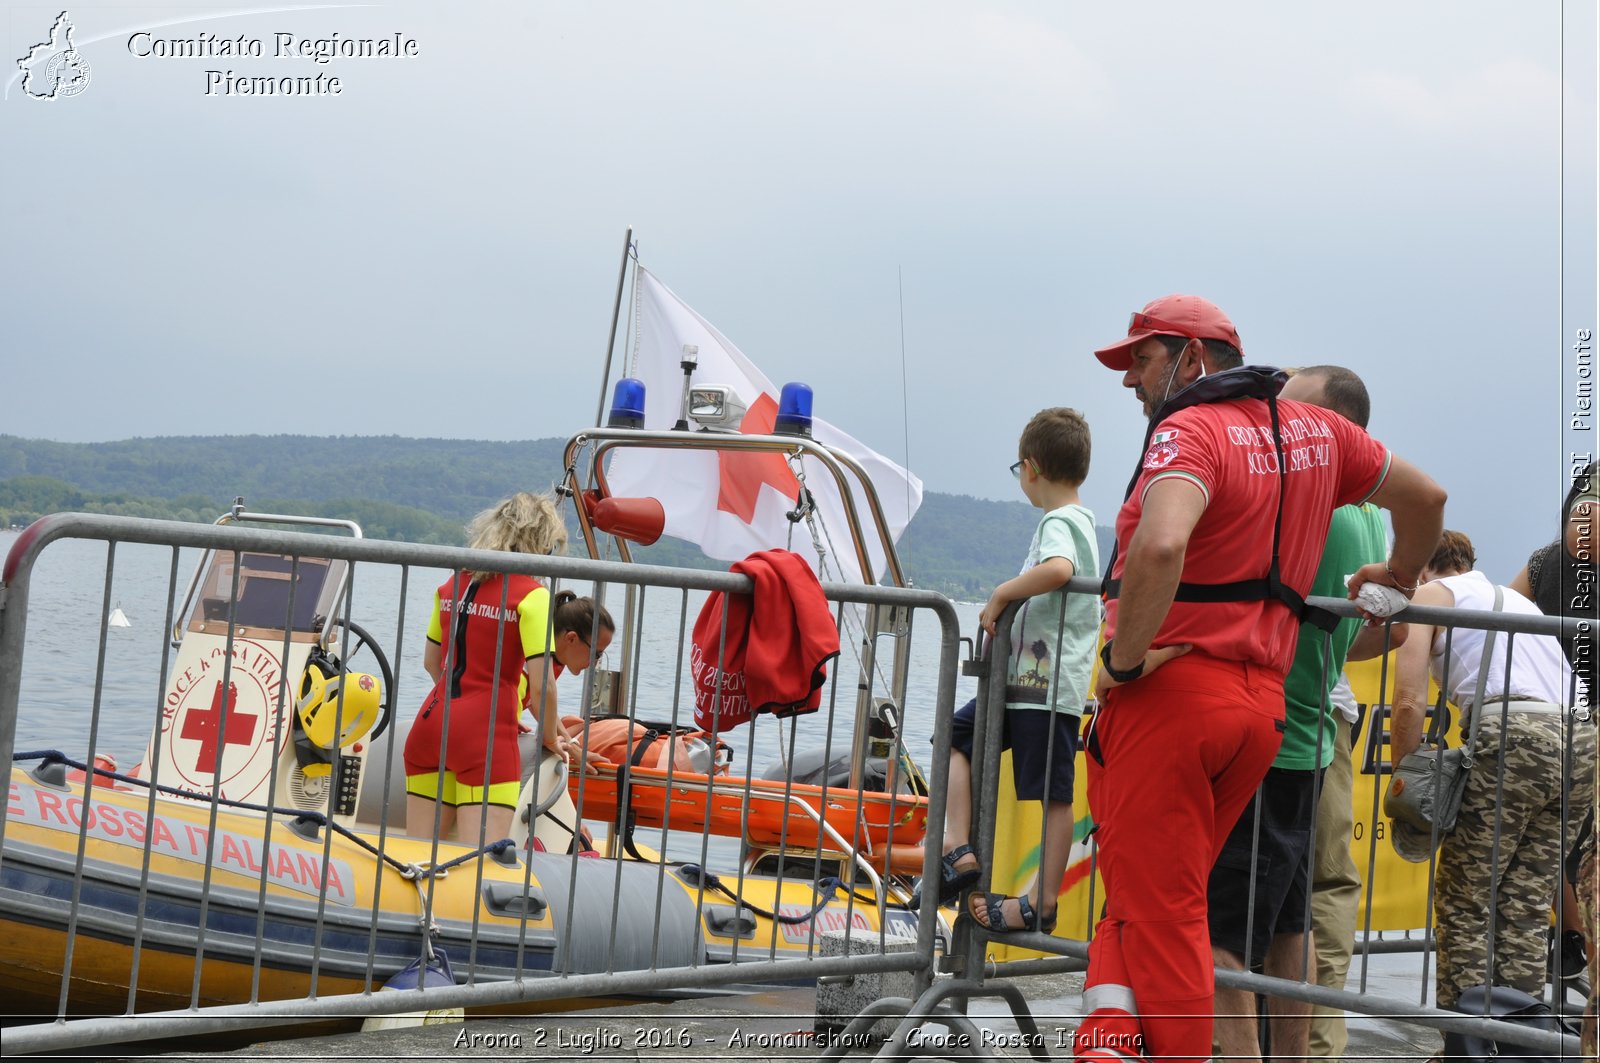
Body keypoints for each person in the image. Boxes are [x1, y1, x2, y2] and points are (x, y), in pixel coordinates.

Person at [1074, 294, 1446, 1063]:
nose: (1128, 380)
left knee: (1173, 914)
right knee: (1144, 893)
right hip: (1262, 708)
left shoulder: (1191, 429)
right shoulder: (1323, 432)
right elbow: (1429, 498)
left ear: (1194, 358)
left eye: (1141, 357)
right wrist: (1398, 574)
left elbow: (1160, 544)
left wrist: (1121, 660)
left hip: (1172, 702)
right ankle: (1106, 1042)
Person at [1202, 365, 1398, 1062]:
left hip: (1267, 737)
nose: (1273, 421)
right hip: (1311, 736)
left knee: (1220, 926)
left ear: (1334, 427)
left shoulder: (1320, 503)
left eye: (1289, 411)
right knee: (1289, 924)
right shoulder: (1374, 516)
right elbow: (1386, 627)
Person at [1389, 530, 1597, 1012]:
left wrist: (1407, 786)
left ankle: (1466, 1039)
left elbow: (1407, 701)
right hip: (1580, 742)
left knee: (1466, 900)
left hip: (1515, 735)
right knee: (1524, 905)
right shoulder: (1519, 604)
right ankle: (1517, 1036)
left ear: (1420, 566)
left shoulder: (1426, 598)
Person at [917, 407, 1100, 935]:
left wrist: (1002, 593)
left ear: (1031, 468)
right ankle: (958, 846)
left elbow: (1060, 569)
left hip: (1045, 691)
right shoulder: (1075, 520)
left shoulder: (1061, 522)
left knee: (1053, 796)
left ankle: (1041, 902)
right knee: (952, 737)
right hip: (1021, 687)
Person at [403, 492, 612, 843]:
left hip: (431, 726)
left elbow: (432, 662)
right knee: (481, 868)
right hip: (485, 738)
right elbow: (542, 686)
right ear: (540, 545)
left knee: (417, 857)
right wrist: (550, 738)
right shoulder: (532, 594)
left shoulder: (454, 582)